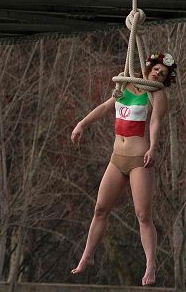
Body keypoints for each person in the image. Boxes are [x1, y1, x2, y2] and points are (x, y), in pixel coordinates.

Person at [70, 52, 177, 286]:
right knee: (100, 209)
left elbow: (156, 122)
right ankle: (87, 256)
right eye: (157, 70)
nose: (158, 74)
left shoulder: (157, 95)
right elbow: (105, 107)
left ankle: (150, 264)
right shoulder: (125, 83)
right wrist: (82, 124)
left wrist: (154, 148)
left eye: (163, 74)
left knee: (143, 215)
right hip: (117, 157)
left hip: (140, 159)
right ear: (148, 68)